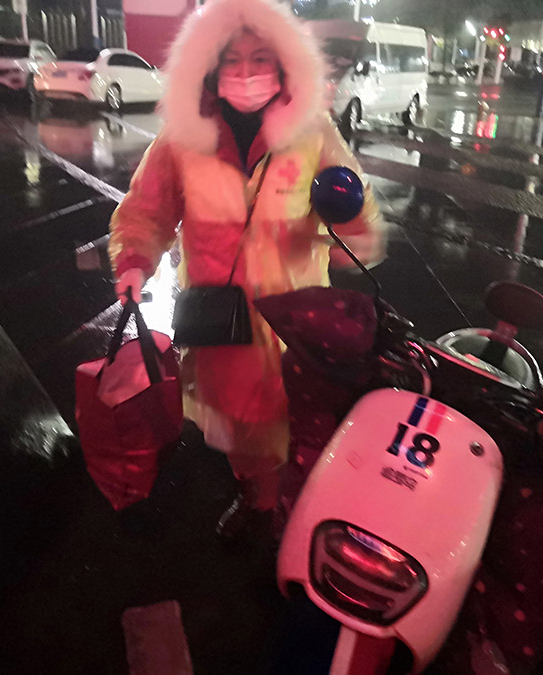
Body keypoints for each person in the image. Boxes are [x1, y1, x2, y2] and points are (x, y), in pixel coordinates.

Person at [108, 0, 386, 540]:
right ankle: (257, 498)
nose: (246, 72)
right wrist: (135, 262)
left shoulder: (312, 132)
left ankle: (297, 508)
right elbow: (145, 211)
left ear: (283, 64)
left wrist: (351, 218)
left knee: (300, 421)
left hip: (294, 320)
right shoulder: (183, 136)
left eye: (260, 58)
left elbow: (359, 215)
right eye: (232, 60)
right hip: (219, 318)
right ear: (210, 66)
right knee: (235, 425)